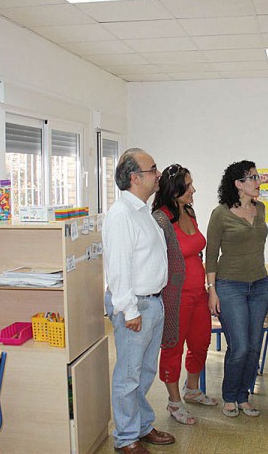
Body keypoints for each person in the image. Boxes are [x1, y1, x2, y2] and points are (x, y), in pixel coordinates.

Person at [103, 148, 175, 454]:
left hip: (153, 303)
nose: (158, 174)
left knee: (145, 373)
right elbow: (117, 268)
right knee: (128, 376)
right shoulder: (120, 216)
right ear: (135, 177)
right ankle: (125, 438)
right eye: (153, 169)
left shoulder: (143, 211)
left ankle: (142, 426)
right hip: (135, 307)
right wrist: (129, 310)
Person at [152, 164, 218, 426]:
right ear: (175, 188)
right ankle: (174, 402)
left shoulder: (189, 211)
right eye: (188, 185)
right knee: (173, 347)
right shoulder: (160, 218)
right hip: (174, 296)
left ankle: (192, 390)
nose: (193, 190)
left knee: (201, 342)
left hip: (198, 293)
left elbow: (196, 249)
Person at [206, 160, 268, 418]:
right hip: (229, 285)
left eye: (257, 177)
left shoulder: (262, 209)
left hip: (260, 285)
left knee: (254, 345)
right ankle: (230, 395)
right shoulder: (220, 213)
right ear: (238, 184)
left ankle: (244, 396)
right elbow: (211, 255)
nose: (258, 181)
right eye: (253, 178)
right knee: (240, 346)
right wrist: (212, 290)